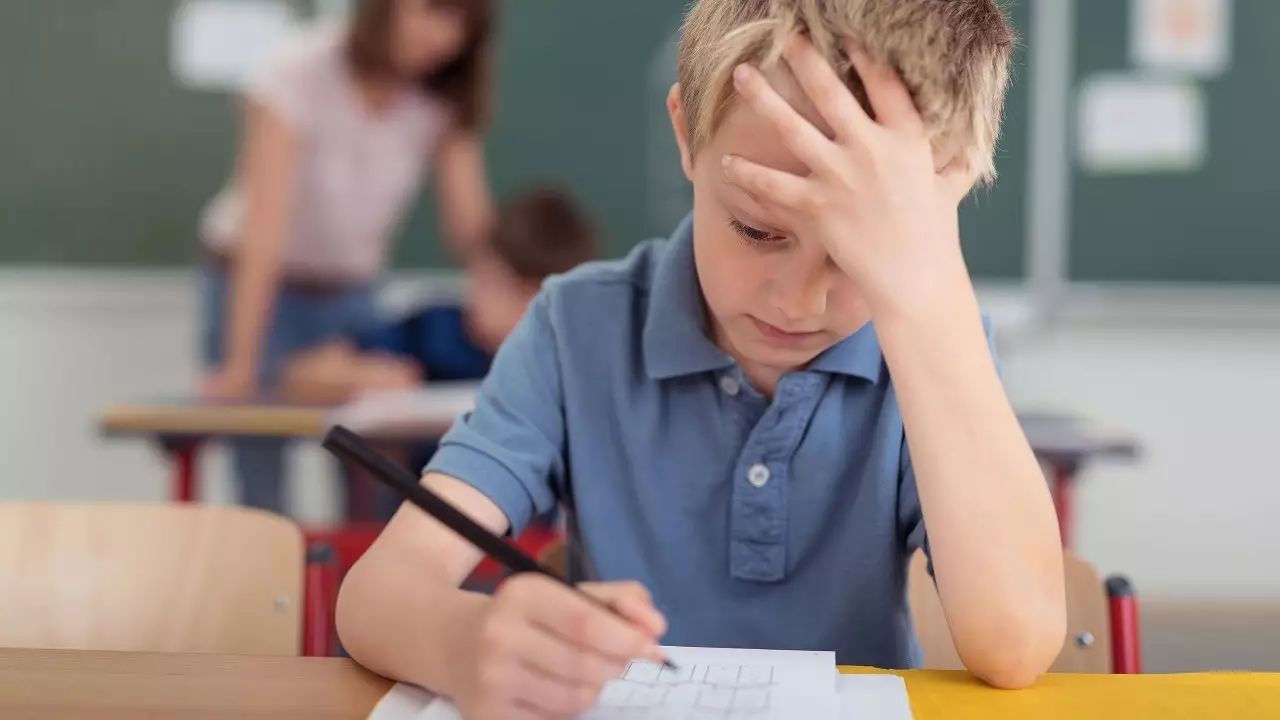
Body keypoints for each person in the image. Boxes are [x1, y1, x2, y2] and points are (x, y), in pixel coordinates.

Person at [336, 1, 1067, 717]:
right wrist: (467, 643)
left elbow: (1018, 642)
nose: (797, 303)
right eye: (757, 231)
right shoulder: (577, 327)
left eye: (857, 254)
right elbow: (377, 596)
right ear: (688, 132)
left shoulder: (933, 345)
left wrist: (925, 296)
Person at [197, 0, 495, 512]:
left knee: (375, 477)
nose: (442, 37)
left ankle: (359, 593)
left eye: (461, 23)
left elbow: (470, 229)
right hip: (256, 290)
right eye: (431, 11)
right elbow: (264, 229)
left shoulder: (441, 96)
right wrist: (242, 362)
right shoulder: (295, 71)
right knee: (262, 487)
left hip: (352, 298)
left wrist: (517, 313)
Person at [277, 188, 598, 406]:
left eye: (518, 295)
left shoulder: (578, 361)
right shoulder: (435, 330)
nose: (488, 301)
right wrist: (361, 377)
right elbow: (299, 375)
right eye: (485, 280)